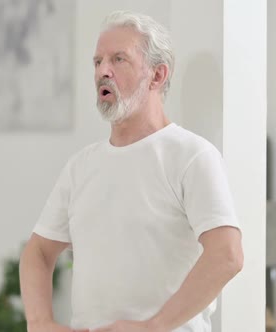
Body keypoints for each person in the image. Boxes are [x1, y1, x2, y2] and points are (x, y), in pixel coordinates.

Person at [19, 10, 243, 332]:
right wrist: (39, 322)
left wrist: (153, 326)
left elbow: (227, 255)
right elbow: (38, 252)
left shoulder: (193, 156)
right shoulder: (80, 167)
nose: (102, 72)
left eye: (118, 59)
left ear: (157, 75)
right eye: (97, 62)